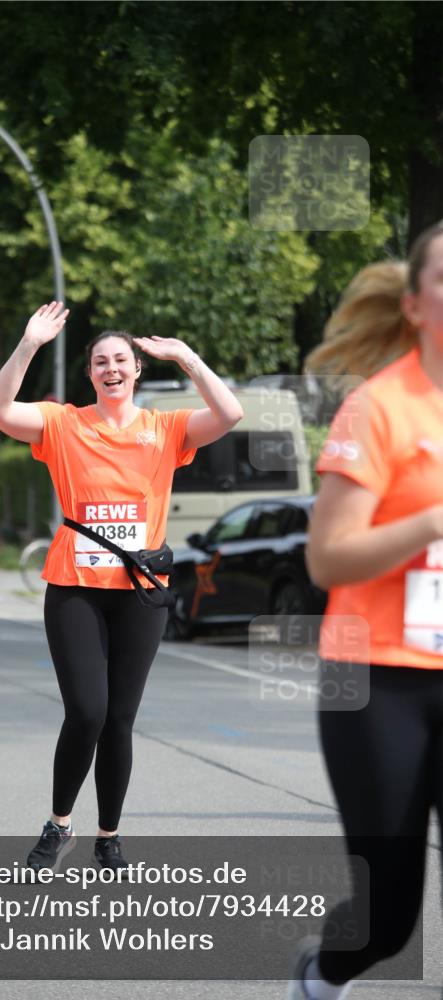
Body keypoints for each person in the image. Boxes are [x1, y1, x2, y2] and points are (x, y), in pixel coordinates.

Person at [0, 301, 243, 872]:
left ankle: (109, 836)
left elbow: (228, 413)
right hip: (75, 586)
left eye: (121, 359)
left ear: (136, 370)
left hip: (141, 591)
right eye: (100, 361)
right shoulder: (63, 423)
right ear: (91, 375)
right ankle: (59, 825)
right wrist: (29, 343)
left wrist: (186, 357)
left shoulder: (166, 428)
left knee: (120, 718)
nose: (111, 367)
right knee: (87, 710)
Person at [287, 222, 443, 999]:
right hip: (380, 677)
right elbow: (327, 558)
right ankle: (322, 973)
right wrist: (429, 521)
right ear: (414, 303)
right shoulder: (377, 409)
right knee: (387, 917)